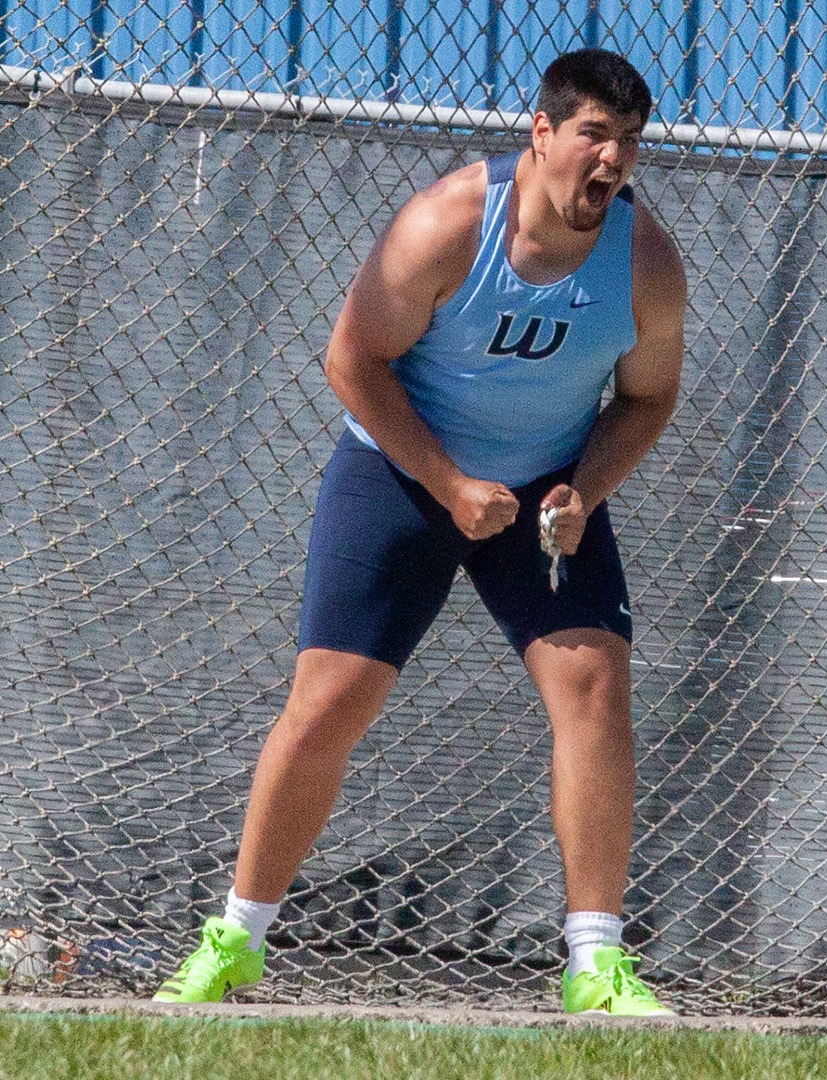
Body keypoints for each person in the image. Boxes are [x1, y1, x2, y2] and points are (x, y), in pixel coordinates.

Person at [151, 48, 686, 1016]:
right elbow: (352, 359)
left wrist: (585, 491)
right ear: (541, 133)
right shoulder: (447, 223)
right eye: (593, 136)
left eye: (630, 143)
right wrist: (446, 484)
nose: (611, 161)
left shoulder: (644, 259)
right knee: (328, 704)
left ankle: (596, 968)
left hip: (544, 493)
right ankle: (234, 942)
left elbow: (648, 398)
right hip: (404, 472)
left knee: (594, 686)